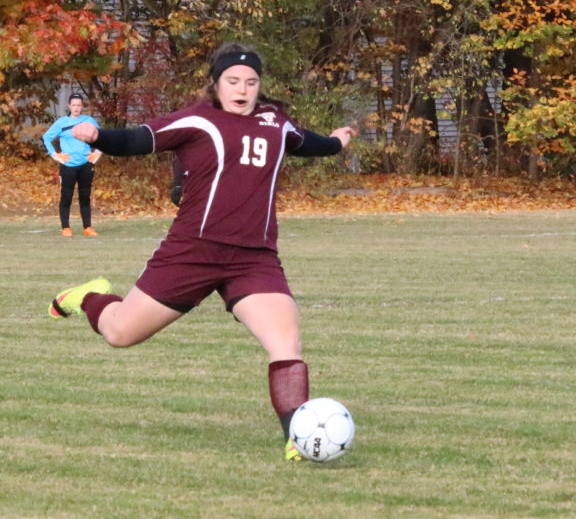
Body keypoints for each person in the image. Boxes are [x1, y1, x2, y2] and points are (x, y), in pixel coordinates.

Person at [45, 43, 357, 461]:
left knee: (286, 341)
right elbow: (140, 138)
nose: (242, 89)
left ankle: (295, 439)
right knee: (120, 334)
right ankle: (88, 296)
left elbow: (306, 144)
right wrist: (99, 135)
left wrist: (336, 143)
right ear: (216, 83)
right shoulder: (198, 119)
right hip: (192, 251)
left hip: (254, 258)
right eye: (233, 81)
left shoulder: (275, 122)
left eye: (250, 82)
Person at [42, 93, 103, 236]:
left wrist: (98, 153)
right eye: (73, 105)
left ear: (82, 106)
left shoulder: (89, 121)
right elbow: (46, 138)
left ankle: (87, 227)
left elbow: (103, 136)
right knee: (66, 197)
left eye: (79, 105)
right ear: (69, 106)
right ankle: (66, 228)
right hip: (68, 165)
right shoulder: (61, 123)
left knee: (85, 196)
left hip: (86, 165)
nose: (76, 108)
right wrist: (55, 155)